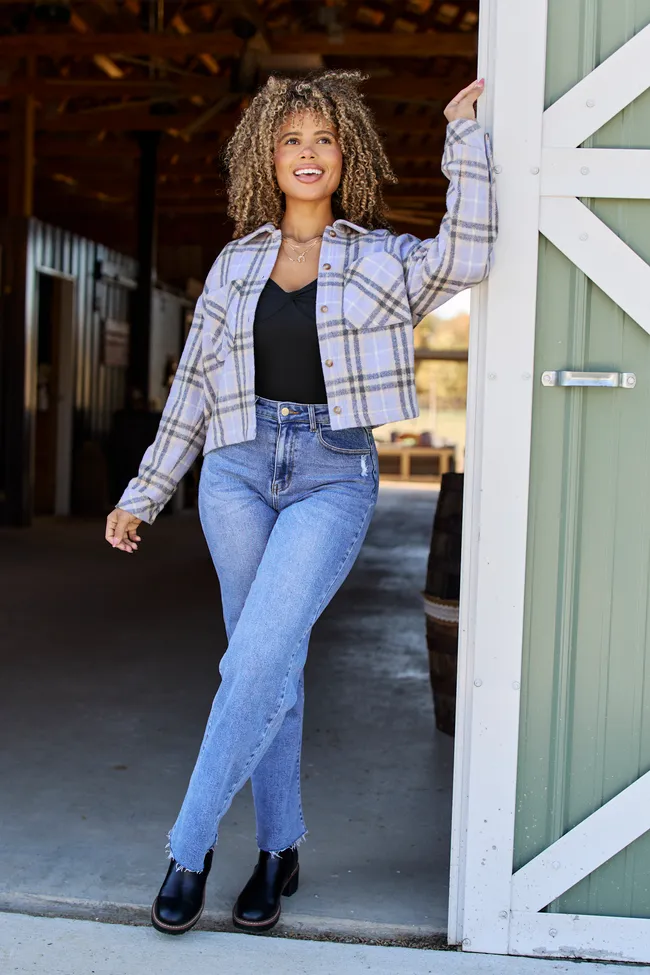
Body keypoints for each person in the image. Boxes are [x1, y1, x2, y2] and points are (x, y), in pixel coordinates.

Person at [105, 69, 497, 936]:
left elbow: (469, 254)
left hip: (331, 471)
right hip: (237, 469)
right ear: (268, 157)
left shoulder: (379, 259)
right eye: (292, 140)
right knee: (268, 665)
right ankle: (279, 849)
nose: (308, 152)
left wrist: (462, 137)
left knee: (253, 660)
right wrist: (147, 490)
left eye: (324, 139)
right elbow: (193, 387)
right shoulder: (235, 263)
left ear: (347, 154)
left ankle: (188, 848)